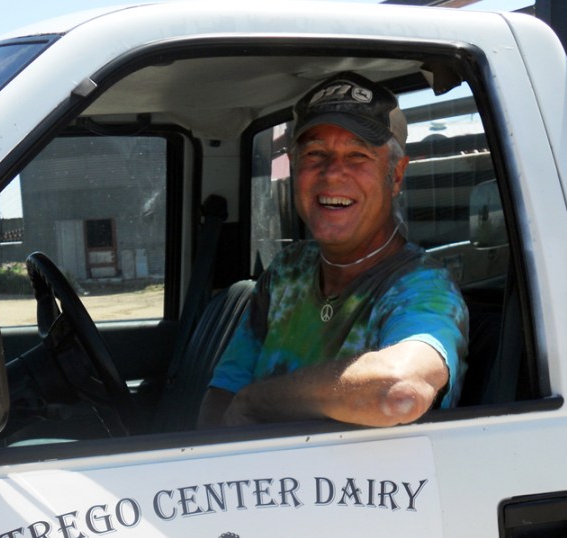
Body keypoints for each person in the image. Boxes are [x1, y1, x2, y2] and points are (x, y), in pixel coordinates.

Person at [198, 71, 468, 428]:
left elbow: (399, 391)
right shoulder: (288, 269)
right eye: (315, 154)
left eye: (357, 155)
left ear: (396, 175)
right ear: (295, 166)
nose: (332, 173)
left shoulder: (423, 288)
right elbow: (224, 389)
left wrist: (256, 402)